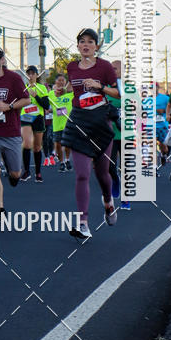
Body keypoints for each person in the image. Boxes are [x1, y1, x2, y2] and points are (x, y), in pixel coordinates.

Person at [62, 28, 119, 241]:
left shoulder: (104, 67)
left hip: (101, 122)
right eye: (81, 42)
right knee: (82, 174)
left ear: (96, 46)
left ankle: (108, 202)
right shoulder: (71, 67)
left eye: (90, 42)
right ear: (77, 46)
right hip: (79, 121)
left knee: (102, 174)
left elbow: (117, 92)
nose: (85, 45)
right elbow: (73, 86)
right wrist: (63, 90)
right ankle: (83, 223)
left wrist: (100, 86)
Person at [0, 45, 31, 210]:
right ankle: (0, 209)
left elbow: (27, 100)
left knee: (15, 174)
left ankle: (14, 175)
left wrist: (8, 107)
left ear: (2, 60)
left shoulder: (14, 79)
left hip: (11, 134)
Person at [19, 66, 50, 182]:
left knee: (37, 147)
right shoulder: (23, 88)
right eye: (28, 74)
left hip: (38, 117)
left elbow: (46, 105)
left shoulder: (42, 88)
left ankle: (38, 172)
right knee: (27, 144)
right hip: (25, 117)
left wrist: (36, 96)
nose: (30, 75)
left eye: (33, 73)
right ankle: (26, 171)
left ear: (37, 75)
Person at [48, 73, 73, 172]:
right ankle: (61, 162)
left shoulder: (70, 93)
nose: (61, 82)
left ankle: (67, 160)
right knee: (58, 145)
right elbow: (47, 104)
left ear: (65, 82)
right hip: (57, 124)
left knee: (67, 144)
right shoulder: (51, 94)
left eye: (63, 80)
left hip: (68, 123)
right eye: (59, 80)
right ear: (56, 82)